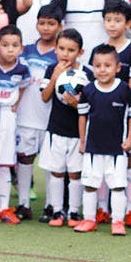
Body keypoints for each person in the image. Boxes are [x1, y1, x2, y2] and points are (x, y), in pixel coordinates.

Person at [74, 45, 131, 236]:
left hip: (117, 149)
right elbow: (82, 116)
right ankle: (89, 219)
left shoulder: (124, 89)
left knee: (118, 186)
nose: (102, 70)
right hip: (93, 148)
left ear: (117, 68)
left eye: (107, 65)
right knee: (90, 185)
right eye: (98, 66)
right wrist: (82, 141)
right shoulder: (88, 90)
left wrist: (129, 139)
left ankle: (117, 221)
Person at [92, 0, 131, 228]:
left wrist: (115, 102)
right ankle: (102, 209)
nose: (112, 24)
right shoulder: (98, 50)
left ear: (127, 23)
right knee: (102, 160)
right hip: (101, 117)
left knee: (130, 160)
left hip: (124, 116)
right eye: (108, 20)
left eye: (118, 20)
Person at [39, 28, 93, 228]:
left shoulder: (87, 74)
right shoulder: (51, 69)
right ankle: (56, 210)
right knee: (57, 172)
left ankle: (74, 211)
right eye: (61, 48)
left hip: (78, 133)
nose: (65, 54)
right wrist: (55, 77)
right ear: (55, 48)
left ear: (80, 52)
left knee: (75, 174)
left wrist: (77, 105)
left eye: (71, 50)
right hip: (56, 131)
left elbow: (92, 105)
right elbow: (45, 97)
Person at [17, 4, 63, 222]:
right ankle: (23, 203)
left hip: (50, 119)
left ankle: (51, 205)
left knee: (50, 163)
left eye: (51, 24)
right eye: (42, 23)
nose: (46, 28)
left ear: (60, 26)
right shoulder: (25, 51)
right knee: (24, 159)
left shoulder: (62, 54)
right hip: (25, 116)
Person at [0, 25, 31, 224]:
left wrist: (16, 103)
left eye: (15, 45)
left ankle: (3, 209)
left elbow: (23, 87)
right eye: (5, 45)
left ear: (21, 48)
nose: (10, 49)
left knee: (4, 162)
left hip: (6, 116)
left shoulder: (23, 68)